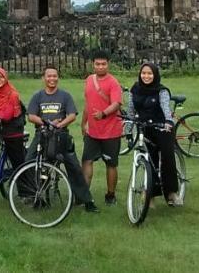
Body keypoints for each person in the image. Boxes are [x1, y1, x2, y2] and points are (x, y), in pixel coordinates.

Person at [26, 65, 98, 213]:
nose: (52, 79)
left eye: (54, 76)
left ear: (58, 78)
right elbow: (31, 116)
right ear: (43, 78)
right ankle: (33, 195)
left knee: (74, 167)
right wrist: (47, 123)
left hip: (61, 136)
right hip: (42, 135)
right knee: (28, 161)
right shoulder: (37, 96)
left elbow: (72, 114)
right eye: (49, 76)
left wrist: (60, 125)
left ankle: (86, 200)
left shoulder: (65, 96)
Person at [129, 61, 181, 206]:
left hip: (162, 128)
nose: (146, 76)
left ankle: (171, 192)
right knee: (149, 160)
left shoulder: (161, 91)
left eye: (149, 73)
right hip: (145, 128)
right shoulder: (135, 89)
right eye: (144, 73)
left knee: (167, 158)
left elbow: (166, 108)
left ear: (155, 75)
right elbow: (131, 110)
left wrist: (168, 123)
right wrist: (128, 128)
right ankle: (150, 194)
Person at [81, 50, 123, 206]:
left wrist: (104, 113)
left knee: (111, 164)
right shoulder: (89, 80)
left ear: (108, 64)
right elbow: (88, 103)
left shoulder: (113, 82)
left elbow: (116, 103)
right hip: (93, 131)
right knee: (87, 161)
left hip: (111, 131)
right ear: (93, 65)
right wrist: (84, 122)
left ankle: (110, 195)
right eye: (97, 64)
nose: (100, 67)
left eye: (103, 64)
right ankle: (84, 194)